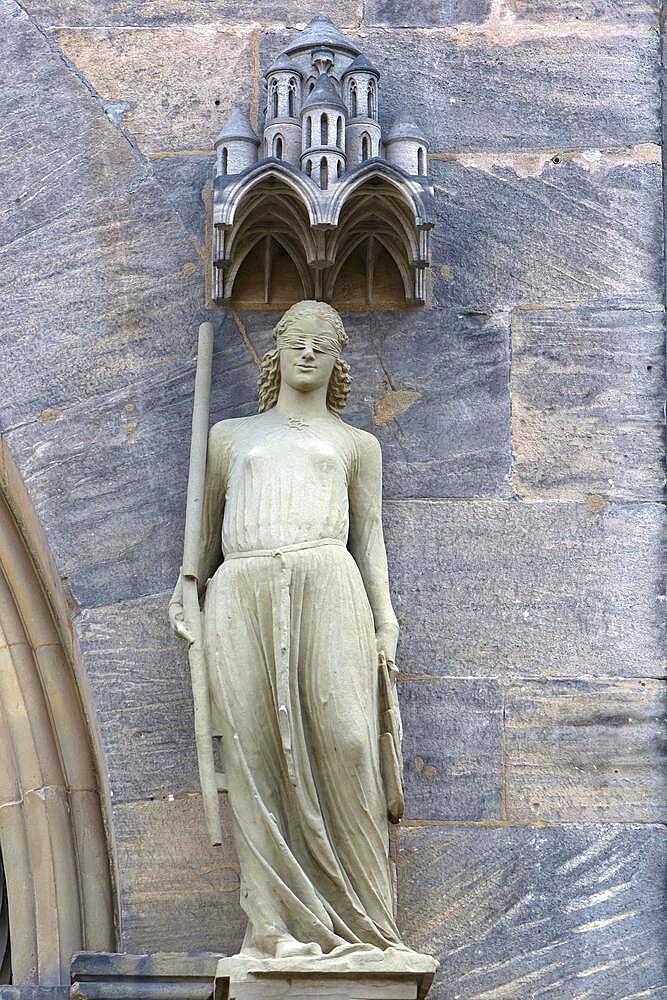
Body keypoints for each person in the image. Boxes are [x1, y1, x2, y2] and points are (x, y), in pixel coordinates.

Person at [169, 300, 418, 963]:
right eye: (295, 341)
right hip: (242, 589)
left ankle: (366, 925)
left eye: (323, 344)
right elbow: (203, 530)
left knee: (348, 743)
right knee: (254, 756)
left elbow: (370, 540)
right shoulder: (230, 436)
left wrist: (385, 623)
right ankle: (273, 924)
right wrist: (187, 583)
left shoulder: (355, 446)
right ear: (274, 352)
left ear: (339, 360)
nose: (308, 353)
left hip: (328, 585)